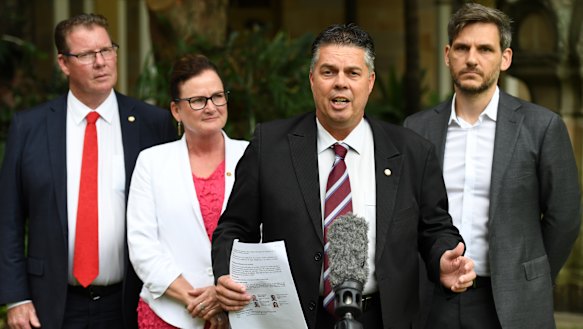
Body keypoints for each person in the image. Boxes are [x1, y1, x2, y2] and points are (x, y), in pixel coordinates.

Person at [211, 23, 476, 329]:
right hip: (292, 320)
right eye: (328, 72)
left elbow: (435, 229)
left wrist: (443, 258)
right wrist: (226, 273)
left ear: (370, 81)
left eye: (352, 73)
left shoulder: (412, 152)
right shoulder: (269, 146)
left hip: (383, 318)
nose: (340, 83)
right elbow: (233, 227)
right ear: (312, 79)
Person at [404, 3, 581, 328]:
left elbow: (565, 217)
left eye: (485, 49)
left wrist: (533, 277)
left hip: (514, 303)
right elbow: (408, 216)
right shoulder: (417, 129)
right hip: (433, 301)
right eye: (462, 48)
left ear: (505, 58)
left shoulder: (542, 127)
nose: (472, 58)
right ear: (447, 54)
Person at [0, 13, 176, 329]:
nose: (101, 62)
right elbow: (8, 218)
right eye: (86, 55)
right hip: (50, 303)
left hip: (130, 301)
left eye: (107, 50)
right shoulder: (30, 127)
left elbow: (173, 214)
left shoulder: (153, 124)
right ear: (63, 63)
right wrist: (16, 298)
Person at [127, 54, 246, 329]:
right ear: (176, 110)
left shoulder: (252, 156)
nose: (211, 107)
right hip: (168, 314)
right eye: (197, 100)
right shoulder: (151, 162)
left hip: (238, 313)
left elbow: (266, 237)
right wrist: (196, 300)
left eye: (217, 96)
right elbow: (142, 246)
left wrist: (222, 295)